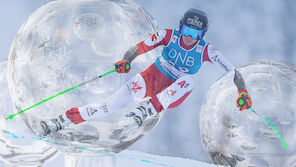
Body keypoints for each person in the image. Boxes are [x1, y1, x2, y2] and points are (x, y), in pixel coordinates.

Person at [40, 8, 252, 136]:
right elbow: (140, 47)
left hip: (174, 89)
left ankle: (148, 108)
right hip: (151, 78)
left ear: (202, 35)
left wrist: (242, 92)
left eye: (195, 34)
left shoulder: (206, 50)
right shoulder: (168, 35)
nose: (189, 37)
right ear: (180, 28)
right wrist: (127, 60)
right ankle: (63, 121)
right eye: (186, 30)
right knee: (108, 106)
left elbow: (233, 72)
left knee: (189, 80)